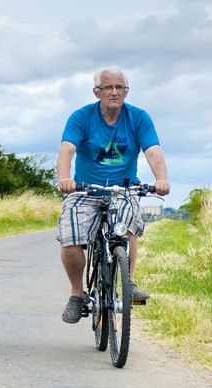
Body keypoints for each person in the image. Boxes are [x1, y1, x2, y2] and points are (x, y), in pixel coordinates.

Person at [56, 66, 171, 324]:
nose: (114, 92)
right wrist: (65, 179)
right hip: (85, 189)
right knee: (70, 237)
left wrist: (161, 179)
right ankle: (77, 295)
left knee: (127, 223)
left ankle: (128, 283)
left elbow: (152, 151)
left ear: (127, 91)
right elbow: (66, 150)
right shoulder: (81, 117)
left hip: (124, 188)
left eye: (119, 87)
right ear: (96, 92)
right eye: (108, 87)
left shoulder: (139, 118)